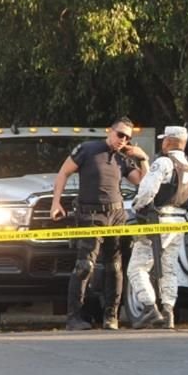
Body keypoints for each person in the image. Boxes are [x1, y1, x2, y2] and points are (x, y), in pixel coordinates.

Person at [51, 117, 149, 331]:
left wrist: (143, 158)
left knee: (115, 268)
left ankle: (111, 317)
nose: (123, 139)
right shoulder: (88, 149)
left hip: (116, 215)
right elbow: (63, 172)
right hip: (91, 215)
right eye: (120, 134)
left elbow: (143, 182)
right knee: (85, 266)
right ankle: (74, 317)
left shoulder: (123, 158)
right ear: (110, 131)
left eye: (127, 137)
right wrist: (56, 203)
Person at [126, 126, 188, 329]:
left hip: (158, 220)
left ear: (168, 141)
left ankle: (150, 308)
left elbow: (147, 189)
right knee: (168, 269)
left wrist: (137, 207)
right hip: (179, 222)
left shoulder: (164, 162)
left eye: (164, 140)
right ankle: (168, 313)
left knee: (137, 268)